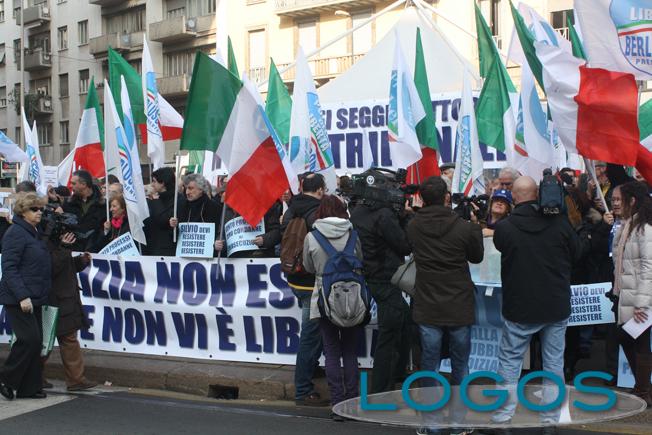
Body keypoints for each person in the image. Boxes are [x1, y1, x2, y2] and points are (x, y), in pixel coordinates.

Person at [489, 176, 583, 432]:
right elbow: (578, 253)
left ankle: (501, 420)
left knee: (509, 362)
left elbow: (499, 244)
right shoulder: (560, 223)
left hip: (520, 306)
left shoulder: (506, 228)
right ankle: (550, 422)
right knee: (553, 363)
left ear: (515, 197)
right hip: (555, 305)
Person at [408, 176, 483, 389]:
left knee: (429, 362)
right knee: (460, 362)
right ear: (446, 197)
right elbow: (476, 257)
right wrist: (476, 228)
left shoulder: (413, 226)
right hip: (458, 302)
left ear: (422, 198)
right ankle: (460, 415)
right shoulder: (465, 228)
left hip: (427, 303)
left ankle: (431, 416)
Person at [302, 195, 363, 420]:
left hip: (324, 300)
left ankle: (337, 404)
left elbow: (308, 267)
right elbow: (360, 260)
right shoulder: (353, 234)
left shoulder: (312, 236)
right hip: (352, 300)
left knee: (331, 351)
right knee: (349, 351)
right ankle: (353, 402)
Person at [350, 177, 412, 394]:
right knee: (389, 334)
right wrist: (404, 218)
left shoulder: (358, 211)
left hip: (373, 275)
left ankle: (397, 374)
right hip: (385, 277)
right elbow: (404, 245)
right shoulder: (384, 215)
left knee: (404, 320)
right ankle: (381, 389)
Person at [280, 173, 328, 406]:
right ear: (320, 190)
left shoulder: (291, 208)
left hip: (294, 279)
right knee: (310, 336)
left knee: (314, 330)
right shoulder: (319, 212)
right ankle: (302, 389)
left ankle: (312, 367)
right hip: (312, 281)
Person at [0, 192, 52, 400]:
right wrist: (22, 296)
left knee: (36, 341)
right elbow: (9, 268)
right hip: (18, 298)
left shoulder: (33, 232)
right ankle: (6, 378)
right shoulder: (15, 233)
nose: (39, 212)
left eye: (40, 209)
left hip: (35, 295)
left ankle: (29, 387)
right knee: (29, 339)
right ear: (23, 212)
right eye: (34, 209)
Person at [613, 181, 652, 407]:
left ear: (633, 201)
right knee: (628, 338)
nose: (616, 204)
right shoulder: (628, 225)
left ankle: (643, 391)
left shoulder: (644, 228)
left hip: (640, 297)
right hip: (626, 294)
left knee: (638, 342)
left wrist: (641, 303)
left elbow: (649, 267)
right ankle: (644, 387)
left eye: (620, 199)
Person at [43, 231, 97, 391]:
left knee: (63, 339)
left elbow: (66, 265)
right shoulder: (44, 242)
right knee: (50, 340)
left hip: (64, 298)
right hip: (54, 298)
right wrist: (64, 248)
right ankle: (74, 380)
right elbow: (51, 267)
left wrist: (81, 261)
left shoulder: (53, 243)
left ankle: (75, 379)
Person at [170, 173, 222, 256]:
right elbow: (174, 237)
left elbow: (219, 231)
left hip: (208, 257)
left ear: (201, 189)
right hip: (184, 256)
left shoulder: (214, 207)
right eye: (186, 189)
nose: (187, 192)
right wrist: (173, 225)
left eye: (190, 188)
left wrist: (217, 243)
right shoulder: (180, 205)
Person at [216, 202, 282, 258]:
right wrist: (218, 243)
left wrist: (264, 239)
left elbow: (277, 233)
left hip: (260, 257)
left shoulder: (267, 206)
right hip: (234, 259)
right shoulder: (227, 207)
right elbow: (222, 233)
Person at [62, 170, 106, 252]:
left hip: (95, 253)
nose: (70, 186)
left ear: (84, 184)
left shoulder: (104, 206)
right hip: (72, 251)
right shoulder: (67, 204)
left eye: (73, 183)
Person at [145, 167, 184, 256]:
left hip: (167, 248)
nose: (152, 184)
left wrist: (155, 199)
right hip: (152, 246)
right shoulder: (154, 198)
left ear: (162, 183)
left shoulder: (178, 199)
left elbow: (163, 219)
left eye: (154, 181)